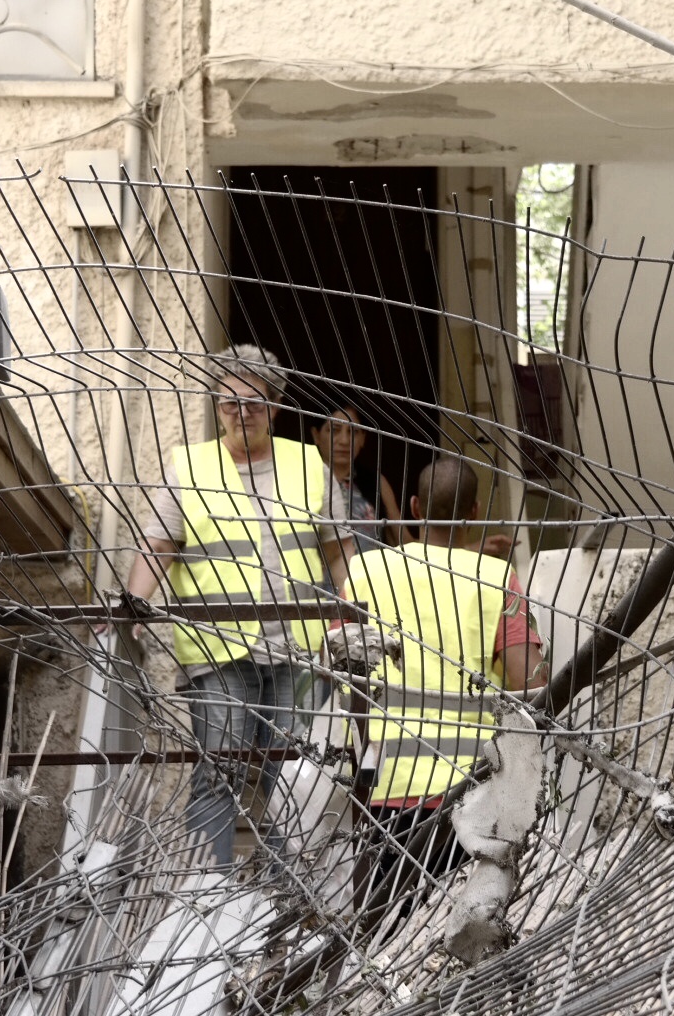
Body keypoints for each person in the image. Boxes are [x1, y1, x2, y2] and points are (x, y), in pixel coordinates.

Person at [124, 344, 353, 867]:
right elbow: (159, 544)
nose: (241, 414)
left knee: (294, 772)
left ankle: (285, 891)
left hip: (297, 648)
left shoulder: (306, 463)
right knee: (219, 769)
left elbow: (337, 548)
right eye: (230, 405)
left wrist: (351, 608)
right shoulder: (188, 466)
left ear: (274, 406)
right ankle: (210, 888)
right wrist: (133, 608)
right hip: (218, 650)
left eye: (253, 404)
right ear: (216, 405)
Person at [339, 457, 546, 916]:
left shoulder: (365, 571)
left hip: (388, 781)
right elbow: (529, 680)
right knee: (464, 925)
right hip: (472, 790)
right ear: (473, 511)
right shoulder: (494, 579)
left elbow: (338, 664)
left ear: (413, 507)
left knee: (388, 926)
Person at [310, 402, 404, 554]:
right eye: (335, 430)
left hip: (371, 576)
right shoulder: (303, 480)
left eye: (353, 432)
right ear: (316, 435)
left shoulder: (376, 483)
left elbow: (401, 540)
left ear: (363, 438)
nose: (344, 441)